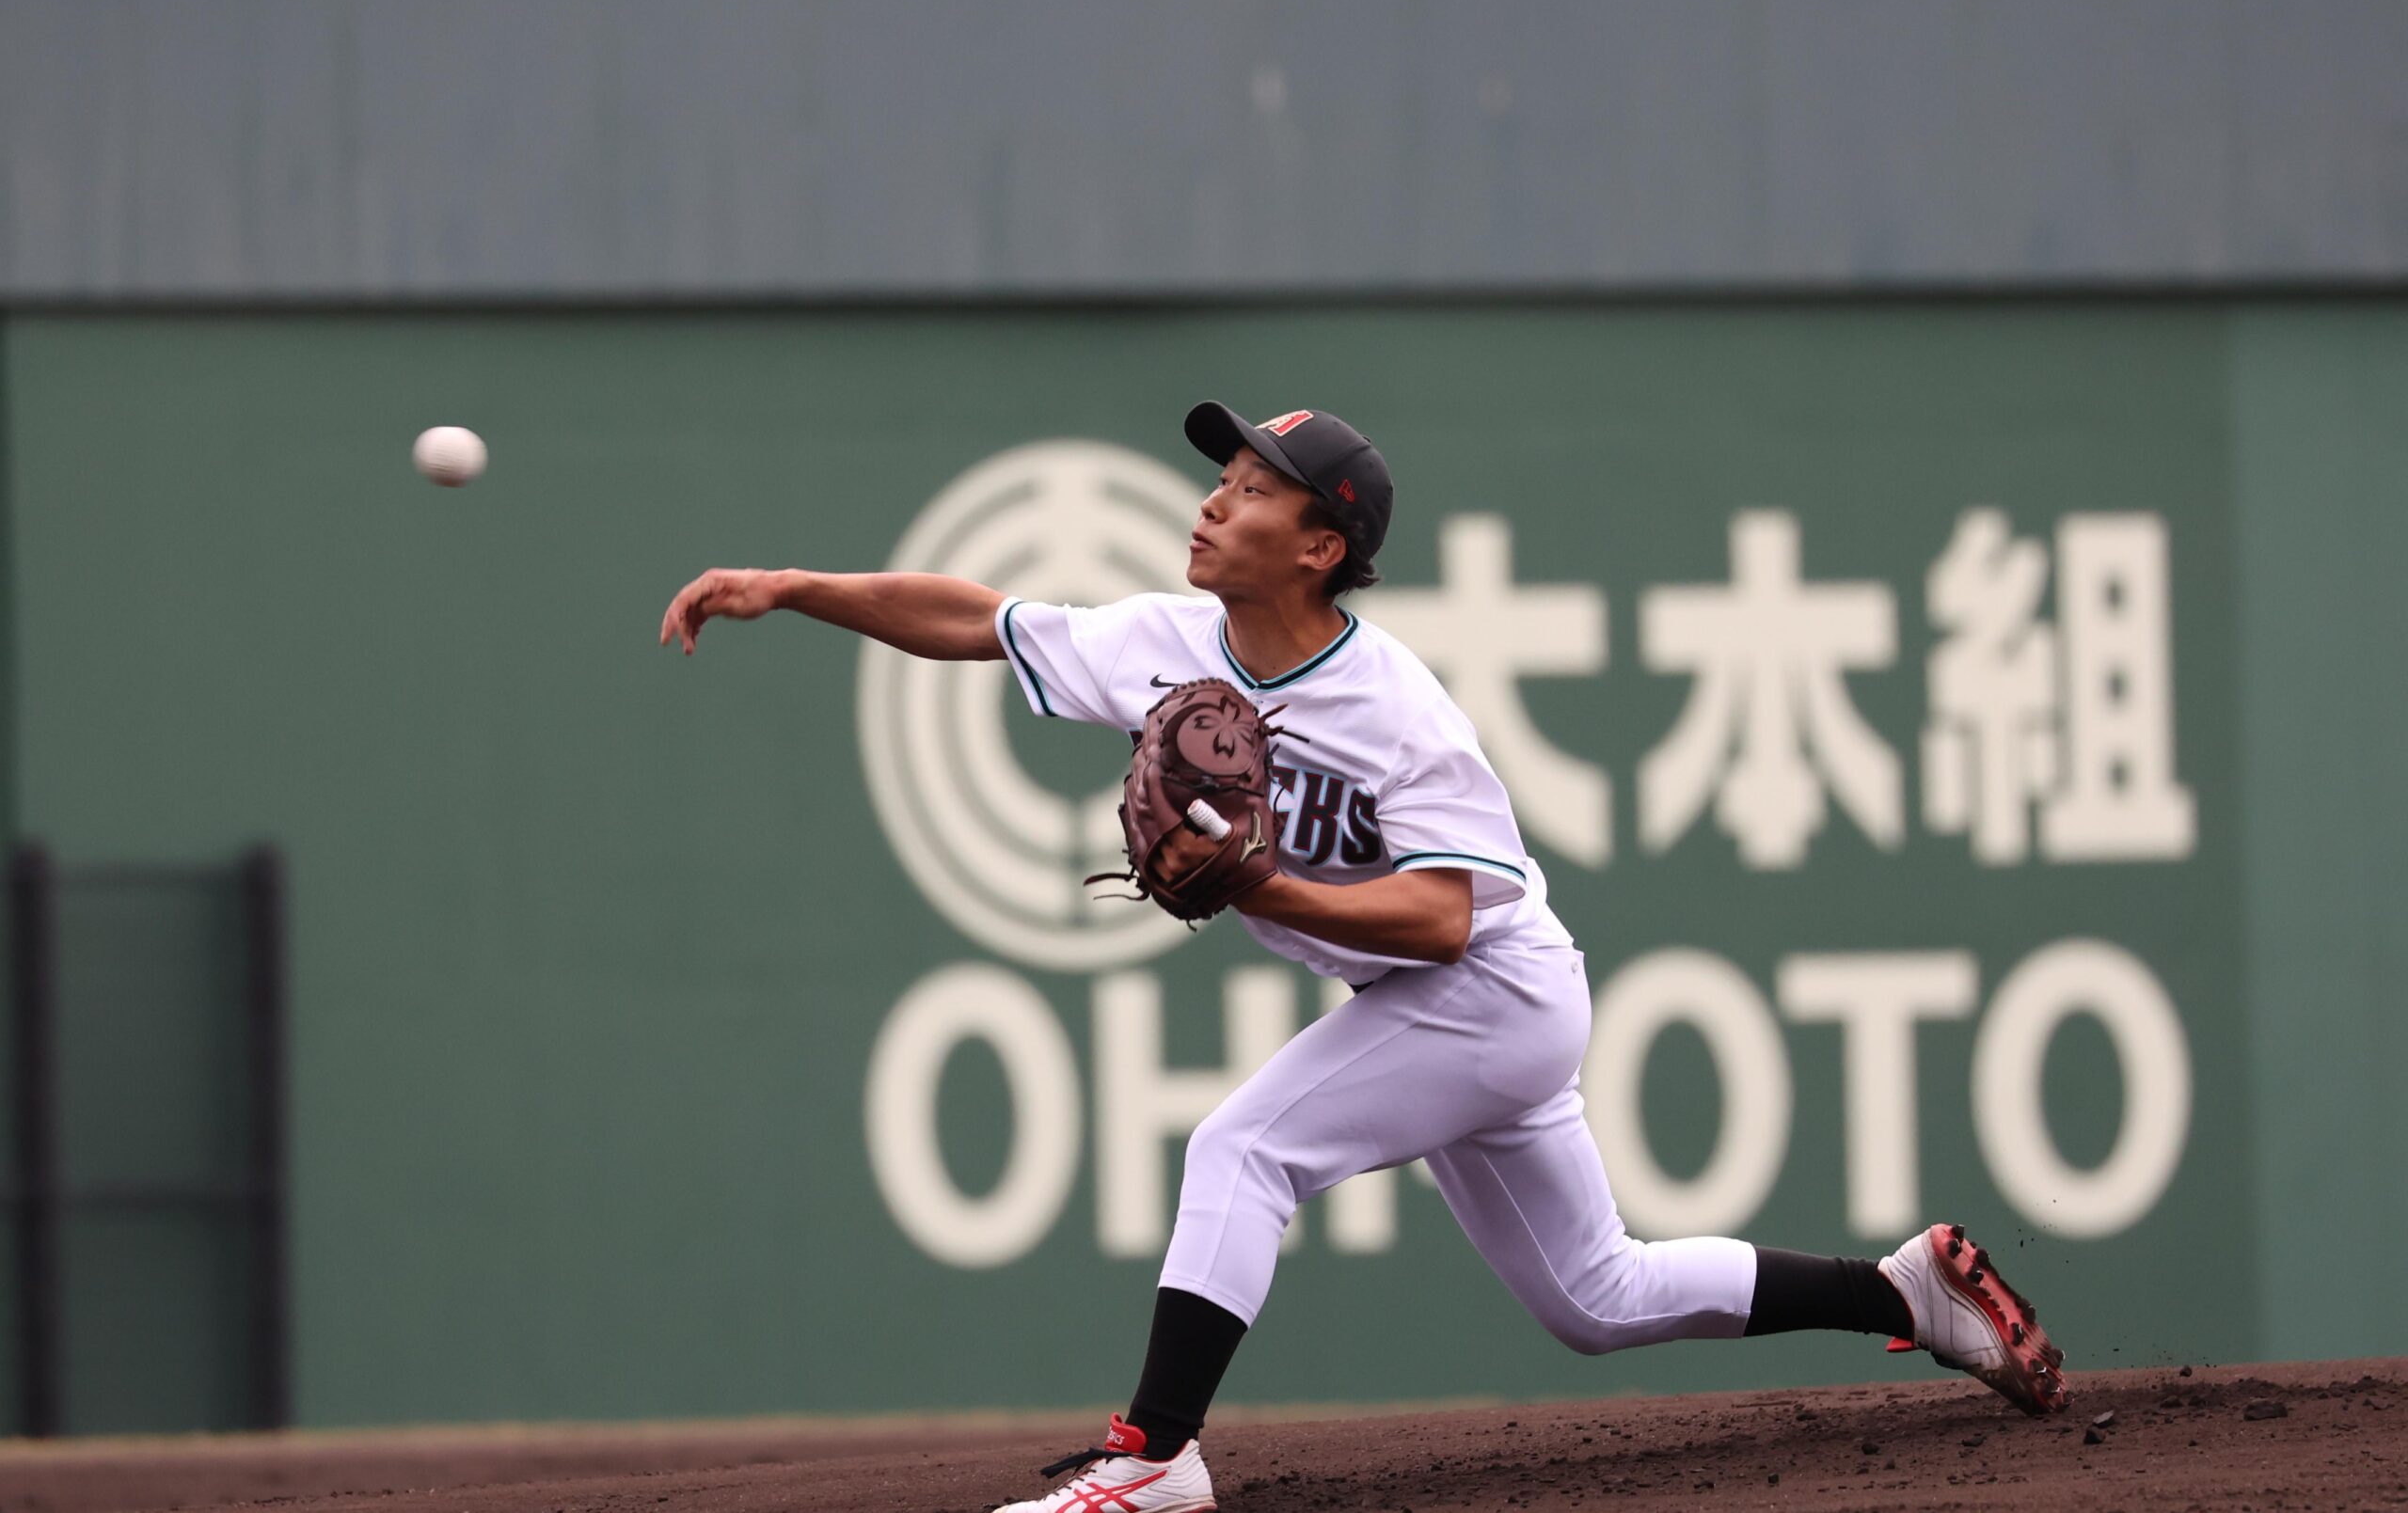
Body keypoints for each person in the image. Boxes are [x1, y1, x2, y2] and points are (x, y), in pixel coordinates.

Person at [658, 402, 2068, 1513]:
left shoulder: (1396, 707)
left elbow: (1447, 916)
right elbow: (982, 620)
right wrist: (793, 586)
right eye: (1220, 479)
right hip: (1434, 1002)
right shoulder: (1163, 641)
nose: (1214, 501)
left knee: (1242, 1149)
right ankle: (1907, 1294)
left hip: (1491, 991)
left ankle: (1154, 1456)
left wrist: (1266, 881)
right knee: (1597, 1298)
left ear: (1321, 546)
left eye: (1251, 489)